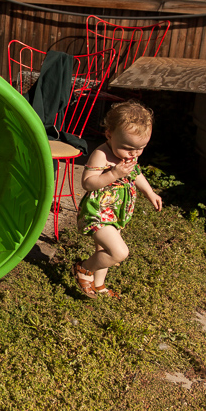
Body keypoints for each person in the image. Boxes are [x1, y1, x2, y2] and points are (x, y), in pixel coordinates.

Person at [74, 100, 163, 298]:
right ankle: (83, 269)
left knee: (104, 249)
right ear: (109, 135)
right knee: (118, 252)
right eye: (128, 148)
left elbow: (136, 173)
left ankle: (98, 285)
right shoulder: (101, 155)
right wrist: (113, 174)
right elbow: (88, 183)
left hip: (115, 211)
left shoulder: (128, 154)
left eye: (140, 149)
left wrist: (149, 192)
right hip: (97, 212)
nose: (133, 154)